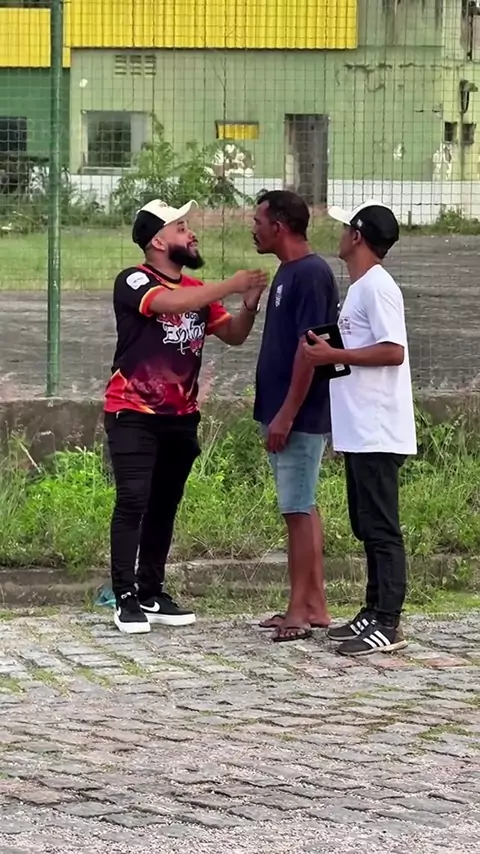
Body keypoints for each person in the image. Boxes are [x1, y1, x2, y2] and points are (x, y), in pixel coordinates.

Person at [105, 198, 267, 634]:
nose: (190, 233)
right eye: (180, 227)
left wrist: (249, 305)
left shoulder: (196, 290)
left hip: (180, 416)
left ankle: (151, 591)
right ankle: (124, 597)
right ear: (158, 241)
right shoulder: (134, 280)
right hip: (133, 412)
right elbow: (166, 303)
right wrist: (230, 283)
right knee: (133, 500)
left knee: (164, 504)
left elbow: (233, 335)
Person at [303, 199, 417, 656]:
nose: (339, 236)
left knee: (382, 527)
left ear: (357, 237)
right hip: (359, 429)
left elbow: (393, 351)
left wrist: (335, 355)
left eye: (345, 228)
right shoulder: (359, 288)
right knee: (366, 524)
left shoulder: (378, 287)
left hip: (378, 428)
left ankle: (388, 621)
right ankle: (372, 610)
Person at [252, 190, 339, 642]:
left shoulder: (310, 274)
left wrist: (286, 413)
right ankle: (315, 605)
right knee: (303, 505)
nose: (253, 229)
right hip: (282, 412)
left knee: (296, 511)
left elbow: (311, 349)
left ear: (279, 226)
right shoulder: (287, 272)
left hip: (299, 417)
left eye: (258, 221)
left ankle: (297, 614)